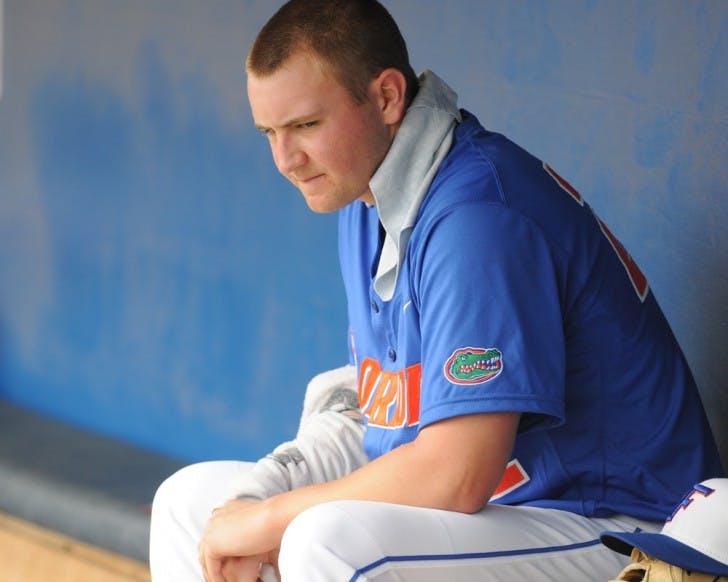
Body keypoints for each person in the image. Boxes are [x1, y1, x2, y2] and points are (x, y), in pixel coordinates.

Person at [149, 1, 724, 580]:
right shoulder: (367, 195)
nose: (285, 160)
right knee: (188, 504)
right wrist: (257, 499)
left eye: (304, 125)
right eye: (269, 132)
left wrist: (272, 518)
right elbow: (377, 418)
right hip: (506, 517)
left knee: (328, 540)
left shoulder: (477, 215)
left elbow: (456, 475)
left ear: (386, 97)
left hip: (618, 528)